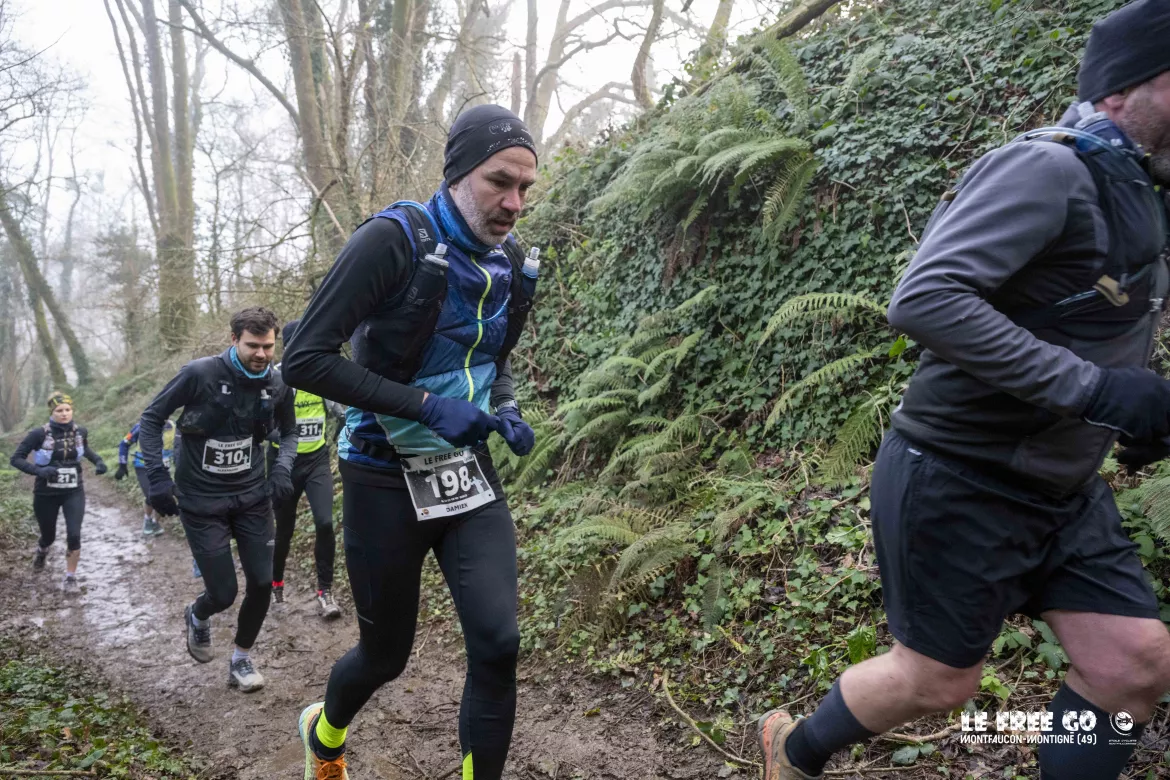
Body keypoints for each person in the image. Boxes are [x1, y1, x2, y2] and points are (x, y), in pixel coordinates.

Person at [757, 3, 1170, 779]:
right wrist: (1095, 391)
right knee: (938, 681)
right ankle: (795, 749)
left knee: (1132, 665)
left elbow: (1087, 319)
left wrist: (1137, 409)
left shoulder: (1139, 190)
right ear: (1121, 89)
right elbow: (924, 299)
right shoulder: (1050, 169)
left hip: (1062, 487)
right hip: (961, 473)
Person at [283, 104, 540, 780]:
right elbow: (304, 360)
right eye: (499, 181)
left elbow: (493, 357)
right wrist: (426, 406)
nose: (514, 203)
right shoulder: (392, 241)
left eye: (524, 187)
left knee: (498, 644)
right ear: (458, 173)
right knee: (385, 656)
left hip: (464, 470)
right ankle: (325, 733)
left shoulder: (512, 261)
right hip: (380, 472)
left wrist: (505, 408)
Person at [138, 307, 298, 693]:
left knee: (262, 581)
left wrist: (282, 469)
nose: (261, 354)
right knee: (224, 593)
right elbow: (152, 418)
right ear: (234, 339)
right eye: (252, 345)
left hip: (252, 497)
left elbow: (290, 432)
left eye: (268, 346)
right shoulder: (200, 374)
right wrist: (157, 477)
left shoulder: (278, 383)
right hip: (201, 501)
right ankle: (198, 613)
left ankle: (241, 659)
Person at [267, 318, 346, 619]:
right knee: (284, 530)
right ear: (288, 346)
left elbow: (340, 412)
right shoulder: (274, 378)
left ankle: (325, 592)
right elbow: (261, 424)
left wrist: (339, 435)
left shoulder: (319, 376)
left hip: (316, 461)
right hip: (284, 464)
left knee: (324, 523)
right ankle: (276, 585)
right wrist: (284, 437)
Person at [9, 391, 108, 594]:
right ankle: (42, 549)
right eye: (59, 410)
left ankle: (70, 577)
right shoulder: (38, 434)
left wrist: (98, 461)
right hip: (45, 493)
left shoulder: (80, 431)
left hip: (74, 491)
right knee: (49, 536)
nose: (64, 414)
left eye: (67, 409)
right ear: (52, 412)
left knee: (74, 534)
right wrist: (39, 471)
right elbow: (16, 459)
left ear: (72, 410)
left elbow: (86, 450)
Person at [116, 418, 177, 537]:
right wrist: (122, 465)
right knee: (151, 495)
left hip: (163, 468)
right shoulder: (141, 426)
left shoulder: (174, 427)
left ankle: (155, 523)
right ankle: (147, 520)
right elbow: (124, 443)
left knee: (163, 496)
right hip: (143, 467)